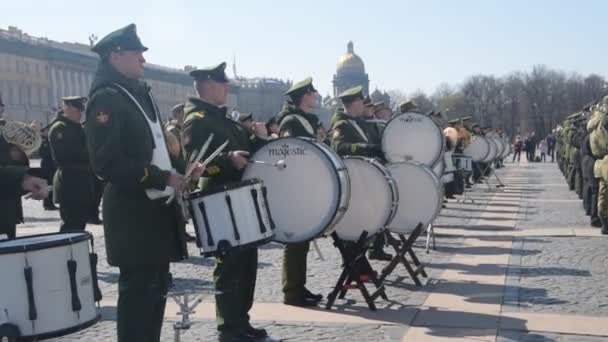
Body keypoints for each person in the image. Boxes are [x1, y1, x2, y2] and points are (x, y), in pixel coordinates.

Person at [85, 24, 200, 342]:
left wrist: (182, 171)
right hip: (133, 213)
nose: (143, 61)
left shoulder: (135, 94)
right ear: (116, 56)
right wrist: (163, 177)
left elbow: (154, 149)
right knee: (138, 299)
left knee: (154, 293)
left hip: (152, 210)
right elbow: (106, 164)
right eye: (137, 54)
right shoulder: (106, 99)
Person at [181, 62, 270, 342]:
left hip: (240, 196)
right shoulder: (197, 119)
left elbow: (246, 154)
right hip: (218, 197)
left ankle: (241, 320)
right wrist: (226, 160)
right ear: (208, 86)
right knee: (229, 264)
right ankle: (228, 327)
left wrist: (260, 140)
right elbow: (194, 163)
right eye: (223, 84)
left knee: (246, 263)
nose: (227, 88)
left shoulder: (224, 119)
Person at [275, 77, 325, 307]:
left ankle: (299, 286)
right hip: (294, 184)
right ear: (304, 95)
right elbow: (287, 150)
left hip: (306, 182)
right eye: (312, 92)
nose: (315, 95)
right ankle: (291, 290)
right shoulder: (291, 121)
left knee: (303, 239)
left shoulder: (306, 119)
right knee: (295, 239)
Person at [49, 96, 94, 232]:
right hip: (69, 181)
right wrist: (90, 153)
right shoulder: (60, 128)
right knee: (70, 224)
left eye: (81, 111)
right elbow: (62, 156)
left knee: (80, 223)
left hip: (82, 181)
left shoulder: (77, 127)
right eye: (77, 110)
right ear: (66, 108)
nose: (80, 114)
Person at [39, 122, 58, 210]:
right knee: (48, 185)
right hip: (47, 165)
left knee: (51, 185)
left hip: (51, 165)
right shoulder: (43, 140)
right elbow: (44, 153)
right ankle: (47, 203)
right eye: (48, 130)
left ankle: (50, 202)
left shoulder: (48, 140)